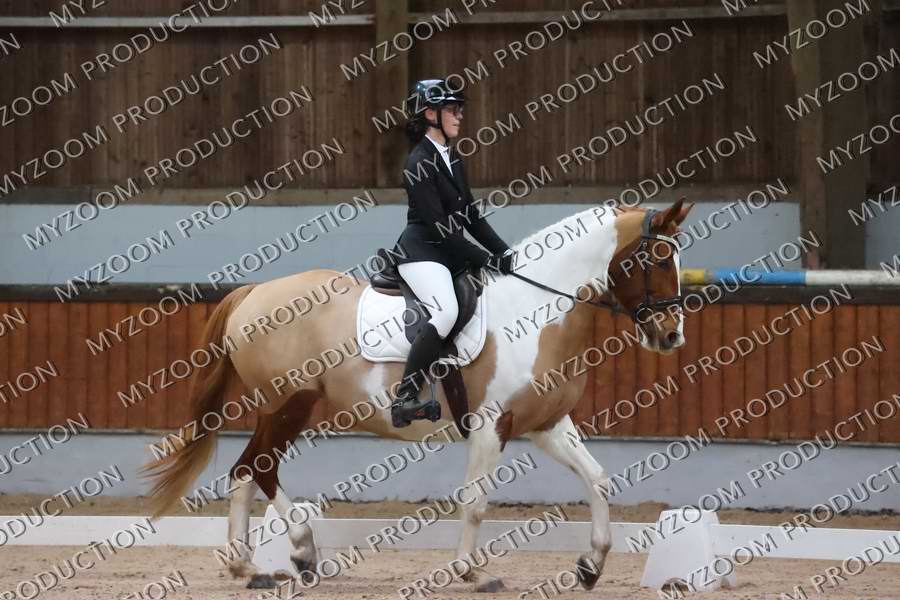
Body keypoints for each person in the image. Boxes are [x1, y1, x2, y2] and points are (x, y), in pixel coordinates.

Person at [389, 78, 515, 428]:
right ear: (430, 114)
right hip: (421, 251)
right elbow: (439, 227)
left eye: (459, 109)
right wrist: (483, 258)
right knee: (445, 312)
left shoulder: (452, 157)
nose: (460, 115)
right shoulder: (418, 162)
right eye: (452, 109)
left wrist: (505, 252)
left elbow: (470, 216)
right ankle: (405, 397)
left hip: (448, 252)